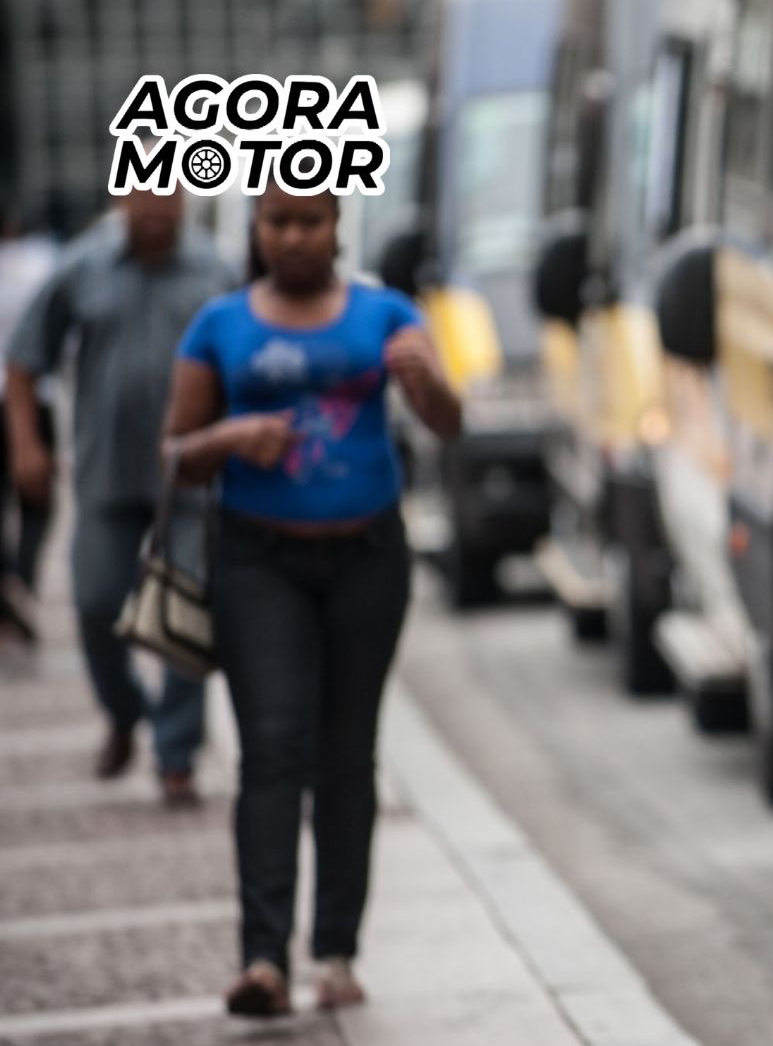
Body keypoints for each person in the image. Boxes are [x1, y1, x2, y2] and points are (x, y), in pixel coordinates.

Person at [163, 183, 460, 1017]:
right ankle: (264, 960)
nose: (293, 236)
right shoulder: (219, 325)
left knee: (346, 754)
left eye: (310, 220)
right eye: (278, 221)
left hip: (368, 559)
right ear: (256, 227)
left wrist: (428, 384)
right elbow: (175, 452)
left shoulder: (386, 314)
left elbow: (449, 422)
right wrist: (229, 437)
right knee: (271, 750)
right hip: (260, 563)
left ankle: (335, 951)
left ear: (336, 225)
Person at [4, 188, 238, 798]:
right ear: (122, 197)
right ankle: (127, 710)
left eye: (169, 194)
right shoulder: (82, 267)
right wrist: (26, 445)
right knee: (96, 602)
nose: (156, 207)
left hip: (190, 480)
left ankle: (176, 755)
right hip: (105, 473)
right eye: (144, 194)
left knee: (187, 611)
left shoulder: (216, 271)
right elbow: (24, 360)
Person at [0, 202, 58, 637]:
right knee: (38, 503)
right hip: (36, 396)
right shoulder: (41, 263)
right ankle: (20, 579)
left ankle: (11, 582)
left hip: (28, 393)